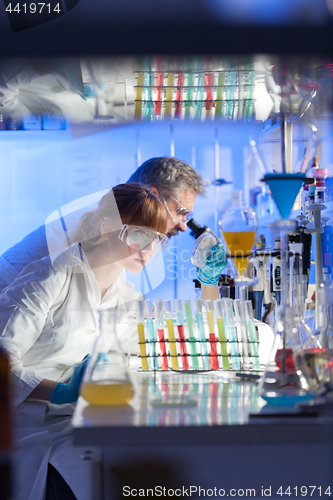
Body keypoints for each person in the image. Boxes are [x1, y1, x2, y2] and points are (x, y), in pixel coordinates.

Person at [0, 183, 168, 500]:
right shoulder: (52, 274)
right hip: (30, 427)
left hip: (86, 422)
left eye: (157, 239)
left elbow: (149, 355)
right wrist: (62, 393)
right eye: (139, 235)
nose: (148, 250)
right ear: (106, 228)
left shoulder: (130, 300)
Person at [0, 156, 205, 291]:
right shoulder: (100, 224)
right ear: (151, 194)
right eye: (180, 212)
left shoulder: (120, 227)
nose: (183, 225)